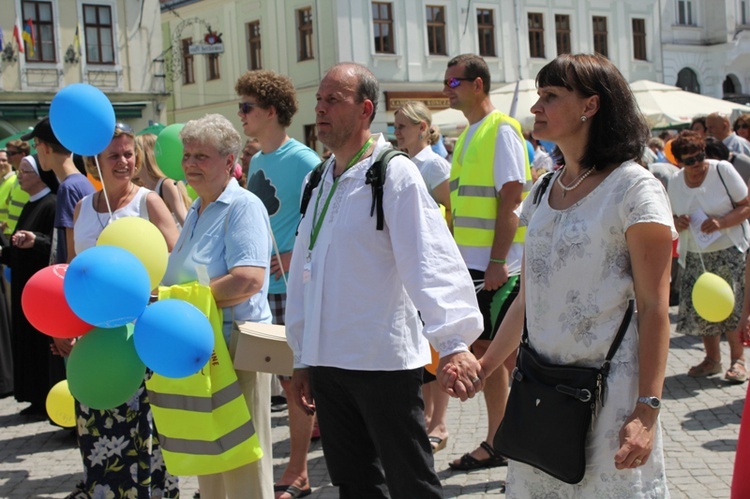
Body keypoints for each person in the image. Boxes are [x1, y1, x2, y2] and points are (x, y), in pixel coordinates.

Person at [443, 52, 674, 496]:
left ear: (590, 105)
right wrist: (485, 369)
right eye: (538, 95)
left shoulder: (634, 188)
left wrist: (647, 409)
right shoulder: (544, 190)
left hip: (610, 398)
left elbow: (654, 308)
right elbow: (528, 300)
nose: (536, 108)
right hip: (542, 396)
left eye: (550, 96)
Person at [286, 62, 484, 498]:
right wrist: (301, 355)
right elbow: (305, 270)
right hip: (328, 362)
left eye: (332, 100)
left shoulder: (393, 173)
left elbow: (430, 260)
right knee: (354, 484)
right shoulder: (317, 179)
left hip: (382, 363)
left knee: (411, 483)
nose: (319, 109)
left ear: (365, 110)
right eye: (319, 100)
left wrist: (454, 343)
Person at [162, 113, 275, 499]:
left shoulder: (242, 206)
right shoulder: (196, 208)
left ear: (229, 162)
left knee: (243, 458)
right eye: (187, 155)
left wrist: (178, 301)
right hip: (201, 349)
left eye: (201, 156)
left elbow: (248, 279)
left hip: (236, 350)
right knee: (209, 454)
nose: (191, 163)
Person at [68, 123, 180, 499]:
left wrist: (150, 293)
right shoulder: (82, 207)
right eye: (114, 155)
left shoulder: (148, 201)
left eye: (129, 153)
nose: (124, 161)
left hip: (141, 339)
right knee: (97, 428)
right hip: (96, 339)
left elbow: (178, 260)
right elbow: (72, 271)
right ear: (94, 162)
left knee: (145, 433)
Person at [443, 53, 532, 471]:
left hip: (500, 268)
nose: (448, 89)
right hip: (473, 268)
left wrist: (498, 260)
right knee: (488, 355)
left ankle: (527, 451)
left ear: (478, 84)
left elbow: (511, 199)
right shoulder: (468, 134)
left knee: (511, 361)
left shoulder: (501, 129)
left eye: (454, 82)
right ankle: (500, 442)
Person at [235, 69, 320, 499]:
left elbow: (325, 220)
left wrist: (290, 255)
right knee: (279, 384)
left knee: (292, 383)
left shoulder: (304, 160)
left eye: (247, 107)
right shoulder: (260, 160)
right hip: (264, 290)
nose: (241, 115)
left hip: (291, 289)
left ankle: (299, 472)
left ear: (271, 111)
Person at [393, 100, 453, 453]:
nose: (397, 132)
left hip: (429, 265)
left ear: (422, 127)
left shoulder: (432, 165)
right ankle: (429, 418)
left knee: (434, 347)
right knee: (422, 352)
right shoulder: (404, 162)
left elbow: (448, 215)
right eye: (395, 126)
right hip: (410, 266)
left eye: (403, 126)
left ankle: (440, 422)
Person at [668, 130, 749, 383]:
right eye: (689, 161)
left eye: (700, 156)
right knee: (703, 309)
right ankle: (712, 359)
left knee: (732, 307)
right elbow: (669, 216)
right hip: (696, 254)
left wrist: (722, 222)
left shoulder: (722, 170)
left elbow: (746, 205)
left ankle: (738, 361)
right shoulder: (675, 181)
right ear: (680, 162)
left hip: (729, 250)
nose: (697, 165)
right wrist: (676, 221)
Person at [0, 155, 61, 416]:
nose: (19, 175)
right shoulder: (30, 203)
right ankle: (34, 396)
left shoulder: (50, 203)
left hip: (41, 287)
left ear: (38, 175)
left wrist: (34, 240)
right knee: (26, 340)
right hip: (24, 283)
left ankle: (43, 396)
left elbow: (54, 245)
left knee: (39, 343)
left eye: (24, 171)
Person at [133, 133, 191, 227]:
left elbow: (186, 223)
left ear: (144, 157)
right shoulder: (141, 188)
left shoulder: (167, 185)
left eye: (132, 154)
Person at [1, 140, 31, 239]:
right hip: (12, 232)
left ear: (22, 154)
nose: (8, 156)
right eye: (7, 153)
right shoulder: (18, 175)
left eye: (11, 153)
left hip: (24, 232)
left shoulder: (30, 175)